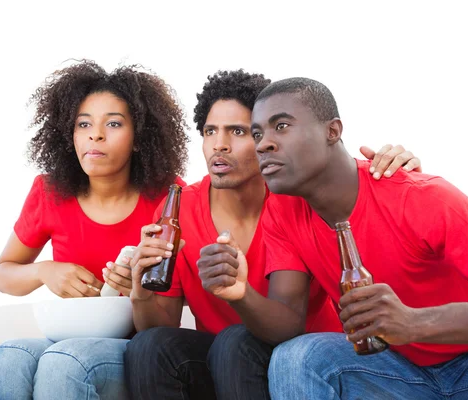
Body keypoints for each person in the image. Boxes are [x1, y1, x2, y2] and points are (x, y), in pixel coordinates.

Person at [200, 77, 468, 399]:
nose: (264, 142)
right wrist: (242, 294)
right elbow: (286, 323)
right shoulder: (283, 212)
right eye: (257, 132)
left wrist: (414, 324)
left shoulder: (419, 195)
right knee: (297, 357)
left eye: (281, 127)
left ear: (333, 131)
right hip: (392, 371)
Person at [125, 69, 422, 399]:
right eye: (210, 131)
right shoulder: (179, 210)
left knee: (236, 342)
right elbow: (158, 328)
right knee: (150, 345)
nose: (219, 145)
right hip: (221, 354)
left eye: (237, 131)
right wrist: (140, 293)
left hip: (300, 352)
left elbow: (348, 181)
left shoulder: (298, 197)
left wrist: (392, 168)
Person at [0, 60, 189, 400]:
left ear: (139, 138)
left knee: (65, 362)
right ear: (71, 135)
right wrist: (44, 271)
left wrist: (140, 285)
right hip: (68, 336)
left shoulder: (170, 199)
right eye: (83, 124)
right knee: (6, 358)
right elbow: (2, 275)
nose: (96, 134)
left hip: (136, 345)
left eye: (114, 123)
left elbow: (178, 300)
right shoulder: (48, 193)